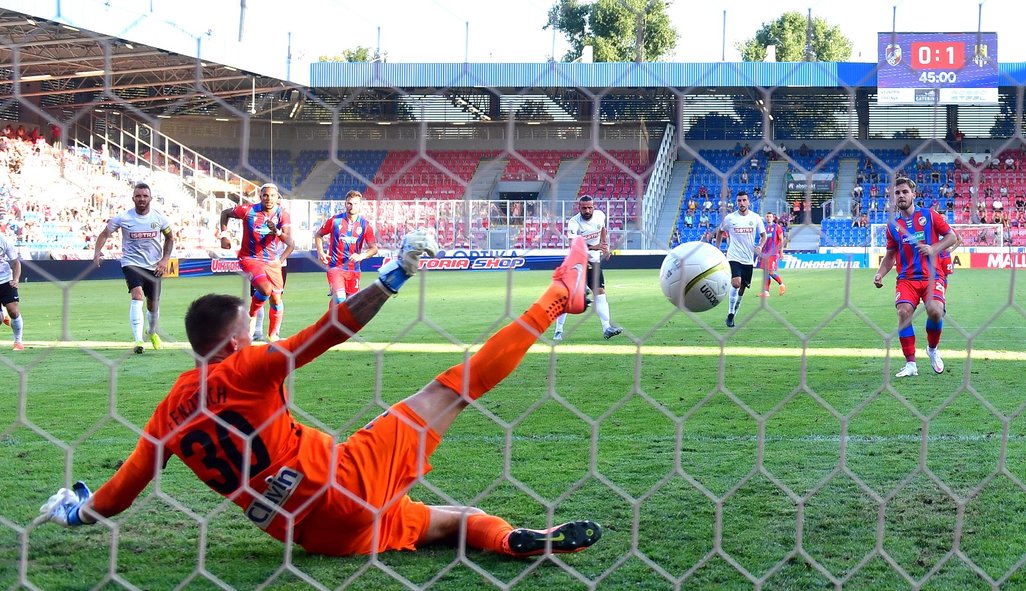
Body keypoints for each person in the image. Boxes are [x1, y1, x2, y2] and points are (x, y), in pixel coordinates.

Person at [39, 232, 603, 559]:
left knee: (452, 521)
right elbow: (330, 330)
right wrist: (395, 274)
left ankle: (509, 540)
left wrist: (75, 514)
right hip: (342, 481)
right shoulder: (247, 367)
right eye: (250, 331)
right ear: (235, 341)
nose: (257, 336)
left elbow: (115, 496)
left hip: (315, 534)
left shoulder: (166, 416)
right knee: (451, 388)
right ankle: (561, 296)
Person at [873, 177, 958, 378]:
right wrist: (880, 273)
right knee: (903, 313)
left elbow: (952, 237)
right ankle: (911, 364)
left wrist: (933, 248)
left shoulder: (930, 215)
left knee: (935, 311)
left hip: (932, 276)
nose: (901, 195)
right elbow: (890, 255)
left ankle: (932, 349)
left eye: (904, 192)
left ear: (913, 194)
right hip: (907, 279)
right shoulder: (893, 226)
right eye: (897, 193)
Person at [92, 182, 174, 354]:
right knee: (137, 296)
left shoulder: (159, 219)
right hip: (131, 263)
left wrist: (165, 259)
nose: (142, 199)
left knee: (153, 305)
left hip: (154, 266)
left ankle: (151, 332)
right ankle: (138, 340)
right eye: (138, 196)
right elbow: (104, 233)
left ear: (150, 198)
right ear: (133, 198)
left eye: (145, 196)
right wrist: (97, 251)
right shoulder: (123, 218)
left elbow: (170, 238)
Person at [219, 183, 294, 342]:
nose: (269, 198)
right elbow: (225, 213)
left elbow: (289, 240)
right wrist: (224, 235)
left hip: (272, 261)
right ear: (260, 196)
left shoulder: (282, 214)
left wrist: (277, 232)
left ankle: (273, 335)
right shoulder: (248, 210)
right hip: (250, 258)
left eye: (272, 195)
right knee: (266, 290)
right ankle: (251, 316)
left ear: (277, 197)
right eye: (265, 195)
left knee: (276, 299)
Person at [553, 195, 622, 341]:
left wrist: (604, 245)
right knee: (568, 296)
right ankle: (558, 330)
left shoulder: (599, 216)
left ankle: (607, 328)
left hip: (594, 261)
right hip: (577, 262)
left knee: (600, 292)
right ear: (579, 208)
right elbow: (573, 245)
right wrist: (595, 247)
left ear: (594, 207)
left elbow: (603, 229)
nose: (587, 210)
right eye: (584, 208)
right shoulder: (574, 223)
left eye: (590, 207)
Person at [314, 190, 378, 305]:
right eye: (349, 203)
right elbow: (318, 234)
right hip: (335, 267)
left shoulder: (365, 225)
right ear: (345, 204)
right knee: (340, 299)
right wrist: (320, 252)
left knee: (351, 304)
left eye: (355, 204)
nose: (352, 206)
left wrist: (361, 256)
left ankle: (332, 321)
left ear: (360, 205)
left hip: (354, 269)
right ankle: (334, 321)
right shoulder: (335, 221)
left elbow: (374, 249)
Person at [714, 191, 766, 328]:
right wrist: (717, 249)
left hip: (748, 259)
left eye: (744, 200)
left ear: (749, 202)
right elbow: (719, 232)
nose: (742, 203)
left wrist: (760, 246)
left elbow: (763, 236)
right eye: (739, 201)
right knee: (736, 283)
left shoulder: (755, 218)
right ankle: (730, 314)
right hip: (733, 256)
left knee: (742, 289)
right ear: (736, 202)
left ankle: (734, 312)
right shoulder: (730, 218)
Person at [0, 230, 24, 350]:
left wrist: (16, 279)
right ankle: (2, 315)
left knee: (13, 311)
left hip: (5, 280)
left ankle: (18, 342)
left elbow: (15, 262)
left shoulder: (4, 240)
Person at [759, 212, 786, 298]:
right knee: (766, 272)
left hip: (773, 253)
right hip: (765, 253)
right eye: (767, 217)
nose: (768, 218)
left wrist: (781, 251)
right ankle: (766, 292)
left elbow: (781, 240)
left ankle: (781, 284)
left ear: (773, 218)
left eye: (770, 217)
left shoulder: (777, 227)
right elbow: (762, 241)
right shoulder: (765, 229)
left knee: (770, 271)